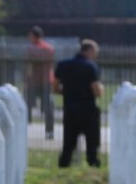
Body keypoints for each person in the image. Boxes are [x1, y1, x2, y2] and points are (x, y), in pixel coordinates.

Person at [54, 38, 103, 168]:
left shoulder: (63, 65)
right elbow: (96, 91)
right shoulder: (90, 66)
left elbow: (55, 87)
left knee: (69, 141)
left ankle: (64, 164)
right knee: (92, 140)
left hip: (69, 108)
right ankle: (92, 163)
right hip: (88, 109)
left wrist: (68, 92)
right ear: (89, 51)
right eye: (95, 52)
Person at [25, 26, 55, 140]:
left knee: (27, 105)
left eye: (30, 35)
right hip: (45, 80)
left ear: (34, 36)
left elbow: (29, 64)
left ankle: (25, 127)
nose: (29, 38)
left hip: (37, 81)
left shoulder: (34, 49)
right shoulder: (49, 48)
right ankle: (49, 131)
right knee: (47, 107)